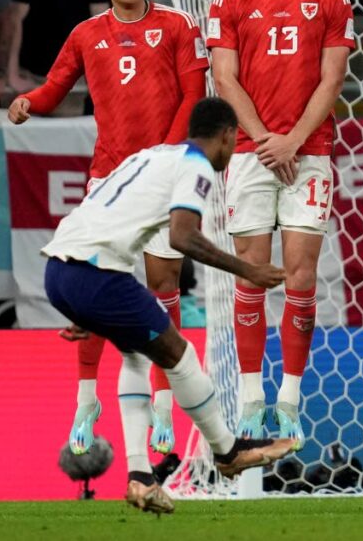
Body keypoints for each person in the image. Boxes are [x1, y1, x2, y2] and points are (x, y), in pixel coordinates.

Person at [39, 96, 293, 515]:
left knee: (137, 358)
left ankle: (140, 476)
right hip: (95, 274)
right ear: (228, 136)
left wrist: (83, 307)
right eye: (234, 143)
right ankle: (227, 451)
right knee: (180, 353)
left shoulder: (153, 155)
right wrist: (247, 269)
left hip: (61, 273)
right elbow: (183, 237)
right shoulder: (195, 165)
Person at [8, 0, 210, 459]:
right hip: (108, 181)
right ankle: (85, 400)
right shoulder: (85, 34)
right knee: (96, 291)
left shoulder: (177, 26)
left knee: (163, 283)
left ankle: (164, 404)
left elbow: (193, 95)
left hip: (161, 174)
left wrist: (163, 158)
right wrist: (28, 100)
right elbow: (55, 89)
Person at [207, 0, 355, 450]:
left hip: (309, 153)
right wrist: (270, 140)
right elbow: (225, 77)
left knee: (300, 276)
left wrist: (292, 141)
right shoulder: (230, 3)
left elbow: (332, 78)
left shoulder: (332, 3)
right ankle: (251, 395)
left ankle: (288, 399)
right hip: (249, 154)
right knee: (250, 273)